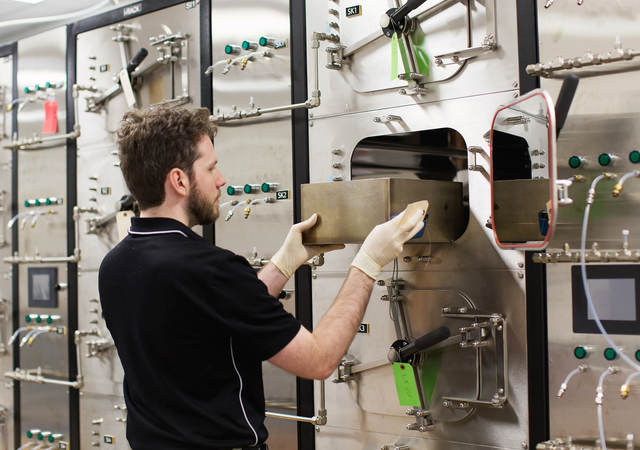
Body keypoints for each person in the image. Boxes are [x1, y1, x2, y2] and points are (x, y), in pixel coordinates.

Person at [98, 106, 426, 450]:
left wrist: (285, 263)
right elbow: (318, 360)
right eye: (210, 168)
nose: (221, 179)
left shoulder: (115, 266)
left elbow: (211, 315)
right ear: (179, 180)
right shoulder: (207, 268)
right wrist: (368, 262)